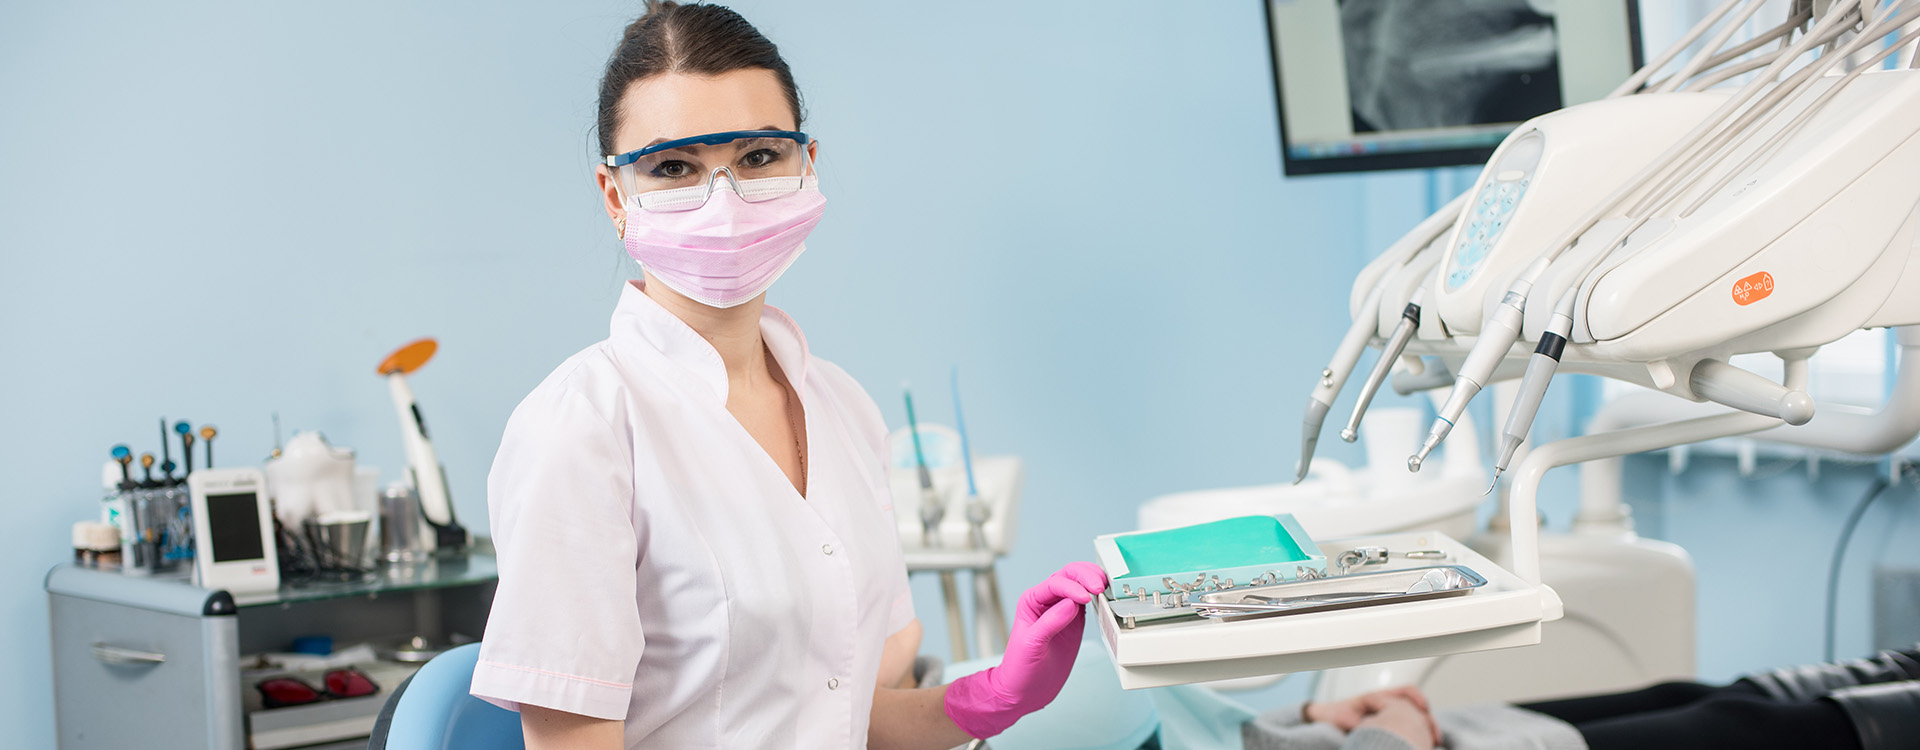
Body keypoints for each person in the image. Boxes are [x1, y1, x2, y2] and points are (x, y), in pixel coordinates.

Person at [467, 3, 1106, 748]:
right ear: (617, 197)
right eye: (674, 167)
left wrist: (994, 697)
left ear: (806, 165)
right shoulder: (582, 428)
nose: (724, 199)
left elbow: (844, 717)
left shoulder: (842, 406)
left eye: (758, 157)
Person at [1240, 646, 1920, 750]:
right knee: (1739, 725)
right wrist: (1390, 724)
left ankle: (1903, 664)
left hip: (1460, 732)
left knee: (1679, 691)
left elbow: (1235, 734)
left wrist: (1310, 714)